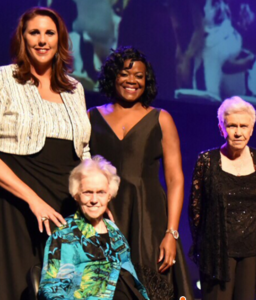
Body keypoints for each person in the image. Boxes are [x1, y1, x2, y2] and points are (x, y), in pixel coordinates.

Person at [88, 46, 193, 300]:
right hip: (104, 216)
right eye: (125, 74)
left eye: (140, 76)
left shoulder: (161, 119)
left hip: (149, 220)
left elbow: (175, 179)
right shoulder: (91, 117)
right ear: (113, 76)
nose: (132, 80)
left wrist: (171, 232)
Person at [0, 7, 91, 299]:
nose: (42, 40)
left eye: (49, 33)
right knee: (17, 285)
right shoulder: (4, 79)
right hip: (15, 202)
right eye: (34, 33)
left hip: (64, 203)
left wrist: (93, 196)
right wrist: (32, 199)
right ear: (23, 39)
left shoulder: (75, 88)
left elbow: (84, 150)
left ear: (60, 39)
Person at [189, 96, 256, 299]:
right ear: (221, 128)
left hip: (252, 254)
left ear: (252, 129)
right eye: (231, 126)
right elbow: (195, 210)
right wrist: (207, 247)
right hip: (217, 254)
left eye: (243, 126)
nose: (237, 132)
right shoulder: (207, 161)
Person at [39, 156, 150, 299]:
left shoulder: (114, 230)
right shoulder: (65, 234)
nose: (94, 200)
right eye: (88, 192)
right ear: (76, 195)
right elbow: (51, 287)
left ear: (109, 195)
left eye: (101, 192)